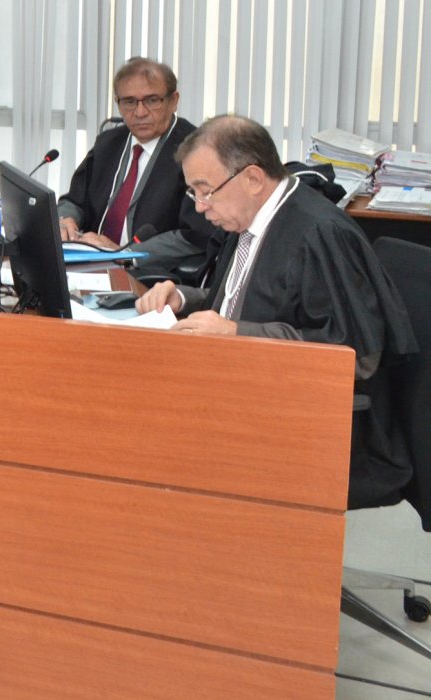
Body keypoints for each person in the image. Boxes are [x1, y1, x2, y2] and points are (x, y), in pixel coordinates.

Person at [137, 115, 417, 501]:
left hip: (303, 418)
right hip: (237, 385)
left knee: (154, 440)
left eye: (205, 191)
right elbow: (249, 299)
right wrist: (185, 298)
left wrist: (236, 334)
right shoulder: (248, 216)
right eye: (193, 193)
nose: (200, 207)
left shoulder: (319, 234)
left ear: (253, 178)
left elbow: (354, 352)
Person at [57, 58, 212, 274]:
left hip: (154, 275)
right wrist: (65, 219)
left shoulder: (197, 152)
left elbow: (195, 235)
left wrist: (126, 254)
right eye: (129, 102)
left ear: (174, 101)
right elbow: (74, 200)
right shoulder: (108, 143)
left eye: (152, 100)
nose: (140, 112)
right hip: (90, 266)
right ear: (118, 103)